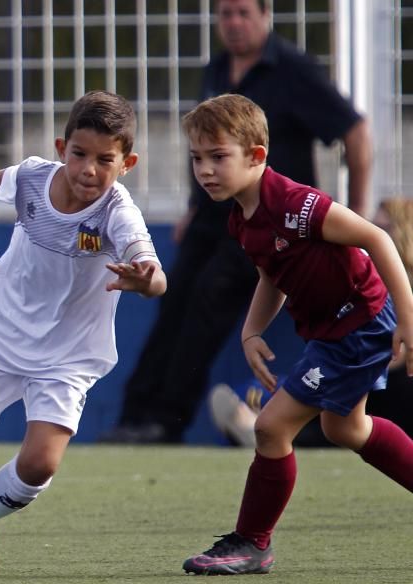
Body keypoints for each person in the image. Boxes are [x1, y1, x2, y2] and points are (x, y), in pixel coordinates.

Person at [0, 91, 167, 570]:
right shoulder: (30, 175)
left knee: (40, 464)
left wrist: (146, 278)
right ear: (60, 147)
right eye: (79, 154)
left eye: (105, 160)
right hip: (0, 331)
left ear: (127, 162)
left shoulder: (116, 212)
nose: (89, 169)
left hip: (68, 355)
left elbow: (154, 272)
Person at [101, 0, 373, 444]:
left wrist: (355, 214)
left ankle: (164, 422)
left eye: (243, 13)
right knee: (172, 298)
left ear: (266, 16)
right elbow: (208, 144)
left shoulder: (293, 70)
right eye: (225, 14)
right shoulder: (218, 68)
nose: (233, 23)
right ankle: (136, 413)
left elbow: (356, 132)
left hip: (269, 218)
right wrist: (193, 208)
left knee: (206, 304)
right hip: (214, 216)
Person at [180, 94, 413, 575]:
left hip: (358, 326)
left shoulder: (298, 204)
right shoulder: (241, 218)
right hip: (334, 331)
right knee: (345, 429)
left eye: (218, 156)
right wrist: (251, 331)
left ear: (257, 156)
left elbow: (378, 238)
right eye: (197, 158)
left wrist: (409, 318)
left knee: (270, 426)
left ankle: (252, 543)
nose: (205, 170)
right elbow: (272, 273)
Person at [210, 198, 413, 447]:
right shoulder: (362, 271)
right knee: (315, 404)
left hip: (393, 388)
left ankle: (259, 424)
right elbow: (272, 278)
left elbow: (394, 351)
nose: (368, 230)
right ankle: (260, 418)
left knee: (325, 407)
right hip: (361, 375)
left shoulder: (396, 287)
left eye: (385, 226)